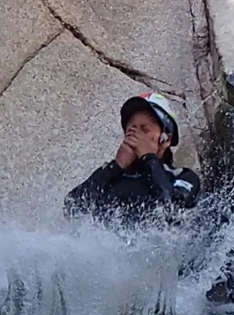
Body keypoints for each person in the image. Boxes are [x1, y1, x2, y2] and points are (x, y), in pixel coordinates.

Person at [65, 93, 202, 227]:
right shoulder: (110, 177)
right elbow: (72, 208)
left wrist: (148, 158)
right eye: (131, 130)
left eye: (144, 130)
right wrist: (115, 166)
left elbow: (173, 211)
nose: (136, 137)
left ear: (166, 139)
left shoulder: (183, 176)